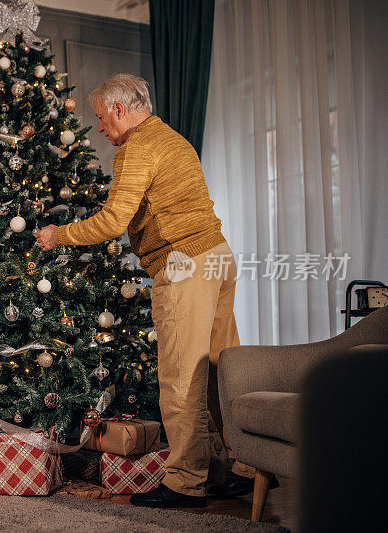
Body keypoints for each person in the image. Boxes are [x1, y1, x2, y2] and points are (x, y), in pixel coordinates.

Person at [34, 74, 254, 508]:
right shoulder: (173, 138)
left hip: (182, 263)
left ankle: (186, 482)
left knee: (181, 376)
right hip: (217, 255)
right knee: (220, 369)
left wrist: (59, 235)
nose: (99, 128)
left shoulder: (137, 148)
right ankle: (237, 468)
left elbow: (114, 220)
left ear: (119, 109)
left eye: (101, 117)